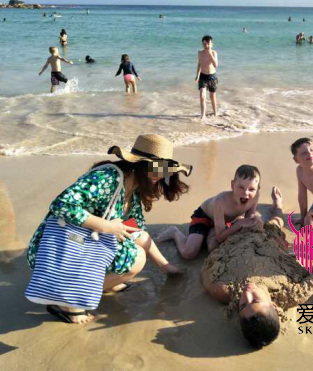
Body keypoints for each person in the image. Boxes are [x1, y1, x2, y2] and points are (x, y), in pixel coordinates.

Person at [26, 134, 192, 324]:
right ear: (138, 163)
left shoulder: (135, 188)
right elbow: (61, 204)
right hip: (59, 247)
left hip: (85, 243)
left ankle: (105, 283)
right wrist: (107, 226)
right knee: (137, 258)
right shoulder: (108, 178)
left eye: (164, 169)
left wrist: (166, 267)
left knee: (136, 239)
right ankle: (66, 301)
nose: (160, 174)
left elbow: (136, 231)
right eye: (155, 167)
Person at [201, 187, 313, 349]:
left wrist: (233, 234)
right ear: (274, 307)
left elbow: (208, 266)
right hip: (270, 238)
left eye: (243, 305)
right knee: (277, 221)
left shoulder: (223, 290)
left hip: (239, 235)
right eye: (255, 300)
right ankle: (278, 205)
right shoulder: (292, 293)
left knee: (211, 244)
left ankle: (242, 212)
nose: (247, 294)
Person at [159, 165, 264, 259]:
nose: (246, 193)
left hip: (223, 222)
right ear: (232, 185)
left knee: (213, 247)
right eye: (241, 187)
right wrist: (240, 223)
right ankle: (174, 232)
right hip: (204, 217)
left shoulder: (255, 197)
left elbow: (249, 217)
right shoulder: (221, 201)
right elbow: (220, 237)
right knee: (189, 253)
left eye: (251, 189)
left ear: (257, 189)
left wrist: (254, 220)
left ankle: (207, 235)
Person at [195, 35, 219, 119]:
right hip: (203, 76)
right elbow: (199, 64)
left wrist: (209, 53)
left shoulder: (214, 53)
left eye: (208, 44)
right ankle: (203, 116)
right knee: (202, 96)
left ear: (212, 44)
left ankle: (215, 113)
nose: (206, 45)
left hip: (212, 77)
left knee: (212, 96)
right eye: (204, 44)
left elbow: (216, 65)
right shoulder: (200, 53)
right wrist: (197, 75)